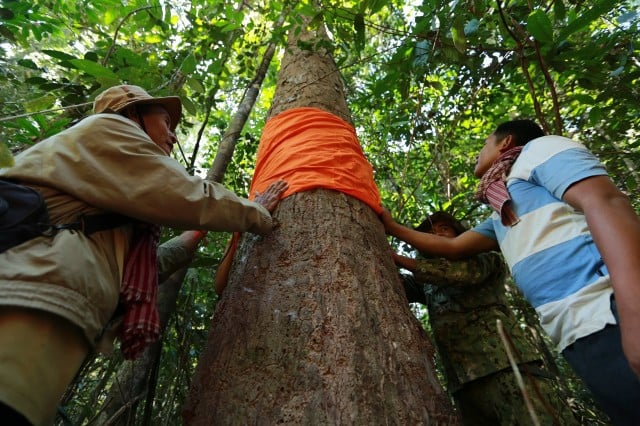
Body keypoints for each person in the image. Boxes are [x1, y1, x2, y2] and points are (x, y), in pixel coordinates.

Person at [0, 84, 288, 425]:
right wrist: (255, 212)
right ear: (133, 113)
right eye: (165, 122)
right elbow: (183, 194)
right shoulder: (108, 129)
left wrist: (188, 243)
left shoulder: (105, 194)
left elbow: (129, 264)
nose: (173, 136)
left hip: (34, 295)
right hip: (26, 296)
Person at [381, 119, 640, 425]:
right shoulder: (501, 212)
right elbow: (453, 249)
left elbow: (606, 201)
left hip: (610, 308)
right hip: (574, 331)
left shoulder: (538, 150)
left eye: (483, 144)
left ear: (505, 143)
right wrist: (391, 227)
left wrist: (633, 312)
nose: (477, 154)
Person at [393, 211, 578, 425]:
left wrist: (397, 256)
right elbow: (399, 285)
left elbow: (454, 273)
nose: (437, 235)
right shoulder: (428, 284)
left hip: (508, 370)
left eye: (444, 228)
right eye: (429, 233)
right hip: (463, 385)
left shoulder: (485, 259)